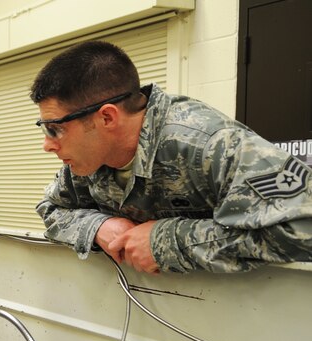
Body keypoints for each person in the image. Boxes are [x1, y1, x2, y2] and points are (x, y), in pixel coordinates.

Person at [30, 40, 312, 273]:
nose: (47, 145)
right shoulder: (88, 160)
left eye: (56, 130)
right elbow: (52, 208)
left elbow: (302, 228)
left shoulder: (209, 144)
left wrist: (165, 241)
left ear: (106, 117)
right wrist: (98, 226)